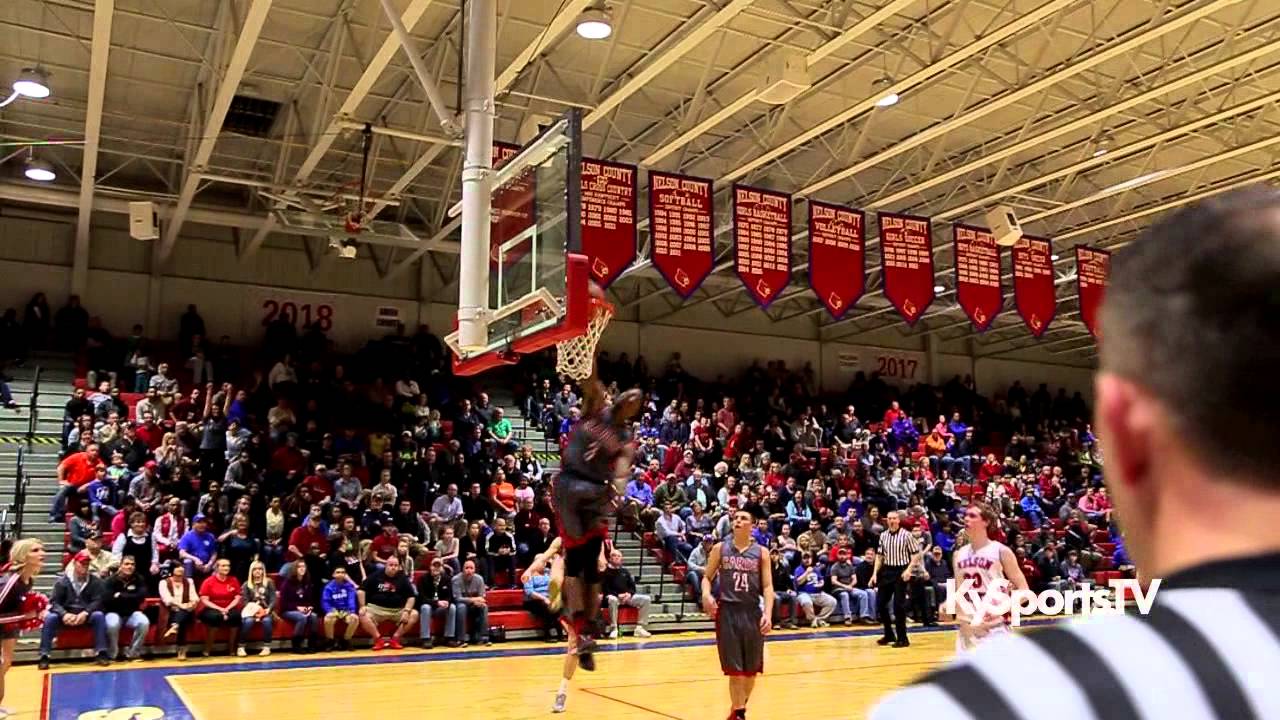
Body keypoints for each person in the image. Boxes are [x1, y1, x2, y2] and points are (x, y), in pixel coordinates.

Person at [872, 185, 1280, 717]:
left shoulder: (978, 703)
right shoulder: (962, 557)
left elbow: (1017, 587)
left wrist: (1000, 611)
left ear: (1121, 430)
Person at [551, 352, 643, 671]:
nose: (630, 398)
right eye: (628, 393)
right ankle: (579, 624)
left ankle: (586, 630)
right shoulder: (596, 408)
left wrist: (618, 499)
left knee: (592, 569)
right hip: (568, 486)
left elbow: (620, 476)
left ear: (635, 410)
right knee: (576, 564)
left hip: (594, 492)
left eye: (635, 399)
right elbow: (590, 380)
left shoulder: (625, 439)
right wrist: (586, 339)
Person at [520, 535, 608, 714]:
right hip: (567, 586)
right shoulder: (561, 540)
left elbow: (601, 560)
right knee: (558, 567)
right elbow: (545, 556)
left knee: (574, 647)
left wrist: (600, 561)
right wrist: (529, 570)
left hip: (582, 592)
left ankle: (562, 691)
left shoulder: (593, 539)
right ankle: (555, 598)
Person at [702, 509, 774, 720]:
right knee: (735, 671)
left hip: (752, 612)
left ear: (752, 525)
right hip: (728, 613)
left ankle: (736, 710)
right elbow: (707, 577)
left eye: (743, 518)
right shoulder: (719, 549)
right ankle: (740, 714)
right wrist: (706, 595)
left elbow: (768, 586)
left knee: (751, 671)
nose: (738, 521)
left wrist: (768, 614)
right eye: (736, 518)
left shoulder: (762, 552)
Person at [946, 503, 1029, 653]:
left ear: (986, 522)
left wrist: (999, 609)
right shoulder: (958, 554)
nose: (966, 519)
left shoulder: (1001, 551)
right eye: (965, 515)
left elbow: (1024, 592)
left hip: (995, 628)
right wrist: (966, 622)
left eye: (972, 516)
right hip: (970, 629)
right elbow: (958, 595)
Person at [40, 550, 109, 668]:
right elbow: (55, 602)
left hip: (85, 614)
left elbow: (97, 601)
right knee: (51, 618)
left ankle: (101, 652)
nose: (85, 566)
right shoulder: (62, 581)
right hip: (66, 615)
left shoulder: (95, 581)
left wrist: (86, 612)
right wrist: (64, 614)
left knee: (99, 615)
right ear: (75, 563)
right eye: (82, 563)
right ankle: (44, 655)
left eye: (87, 564)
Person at [0, 539, 46, 708]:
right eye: (35, 550)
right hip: (4, 622)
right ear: (23, 556)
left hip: (8, 627)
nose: (42, 553)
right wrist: (25, 616)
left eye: (42, 549)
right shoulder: (10, 582)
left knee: (6, 663)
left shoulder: (28, 581)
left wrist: (32, 615)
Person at [871, 510, 923, 648]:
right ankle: (889, 634)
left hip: (901, 571)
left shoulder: (907, 535)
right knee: (881, 604)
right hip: (887, 570)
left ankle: (903, 638)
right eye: (889, 519)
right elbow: (879, 556)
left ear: (899, 520)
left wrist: (909, 570)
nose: (892, 521)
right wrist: (874, 573)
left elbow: (916, 554)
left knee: (898, 606)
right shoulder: (883, 535)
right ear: (886, 520)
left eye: (894, 518)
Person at [103, 556, 150, 662]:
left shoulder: (139, 579)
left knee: (144, 622)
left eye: (132, 564)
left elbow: (142, 595)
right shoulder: (110, 581)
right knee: (112, 624)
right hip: (113, 612)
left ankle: (133, 653)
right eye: (127, 564)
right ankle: (112, 654)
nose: (130, 567)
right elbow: (107, 600)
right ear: (120, 566)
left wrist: (120, 596)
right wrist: (131, 597)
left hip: (132, 613)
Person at [158, 565, 199, 660]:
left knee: (183, 614)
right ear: (172, 572)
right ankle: (182, 650)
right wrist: (182, 606)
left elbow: (195, 597)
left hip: (188, 611)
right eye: (177, 574)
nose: (180, 577)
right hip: (170, 612)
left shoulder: (189, 581)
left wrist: (192, 604)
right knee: (182, 618)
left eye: (181, 574)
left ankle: (175, 626)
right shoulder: (163, 583)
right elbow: (167, 599)